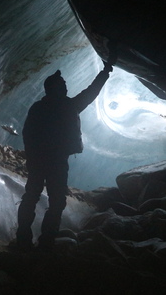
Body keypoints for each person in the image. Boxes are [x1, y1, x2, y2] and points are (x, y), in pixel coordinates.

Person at [16, 60, 114, 251]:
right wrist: (105, 72)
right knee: (56, 201)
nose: (65, 87)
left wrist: (32, 158)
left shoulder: (39, 108)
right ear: (52, 89)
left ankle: (24, 238)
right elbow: (90, 93)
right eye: (62, 85)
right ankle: (45, 242)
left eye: (65, 85)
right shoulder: (68, 106)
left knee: (33, 197)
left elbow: (27, 134)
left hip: (40, 161)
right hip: (56, 162)